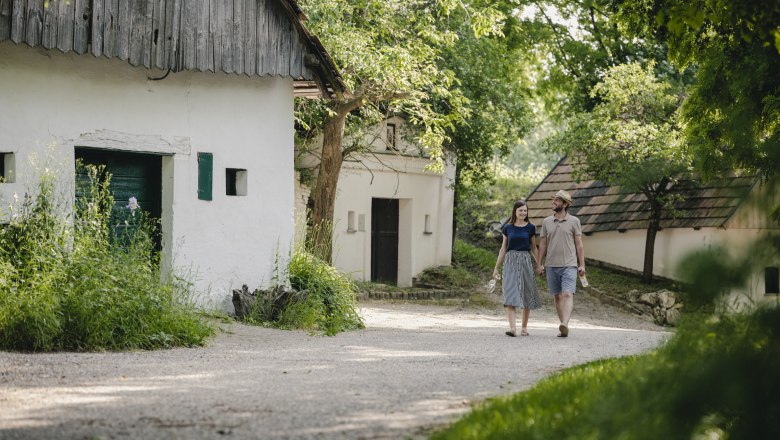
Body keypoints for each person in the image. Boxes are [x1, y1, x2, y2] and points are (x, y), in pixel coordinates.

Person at [536, 190, 585, 338]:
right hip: (551, 265)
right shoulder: (546, 222)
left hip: (569, 264)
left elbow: (579, 245)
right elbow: (543, 244)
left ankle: (565, 323)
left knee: (567, 294)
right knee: (557, 296)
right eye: (554, 200)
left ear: (565, 204)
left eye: (557, 200)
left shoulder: (574, 221)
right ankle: (563, 326)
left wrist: (582, 265)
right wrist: (539, 263)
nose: (554, 202)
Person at [493, 200, 541, 337]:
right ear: (515, 211)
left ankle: (524, 328)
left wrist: (539, 264)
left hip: (525, 260)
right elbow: (503, 248)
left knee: (527, 292)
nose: (523, 213)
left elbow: (533, 248)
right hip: (510, 261)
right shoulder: (507, 228)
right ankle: (513, 328)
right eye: (520, 210)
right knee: (509, 292)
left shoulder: (530, 228)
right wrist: (496, 268)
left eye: (525, 210)